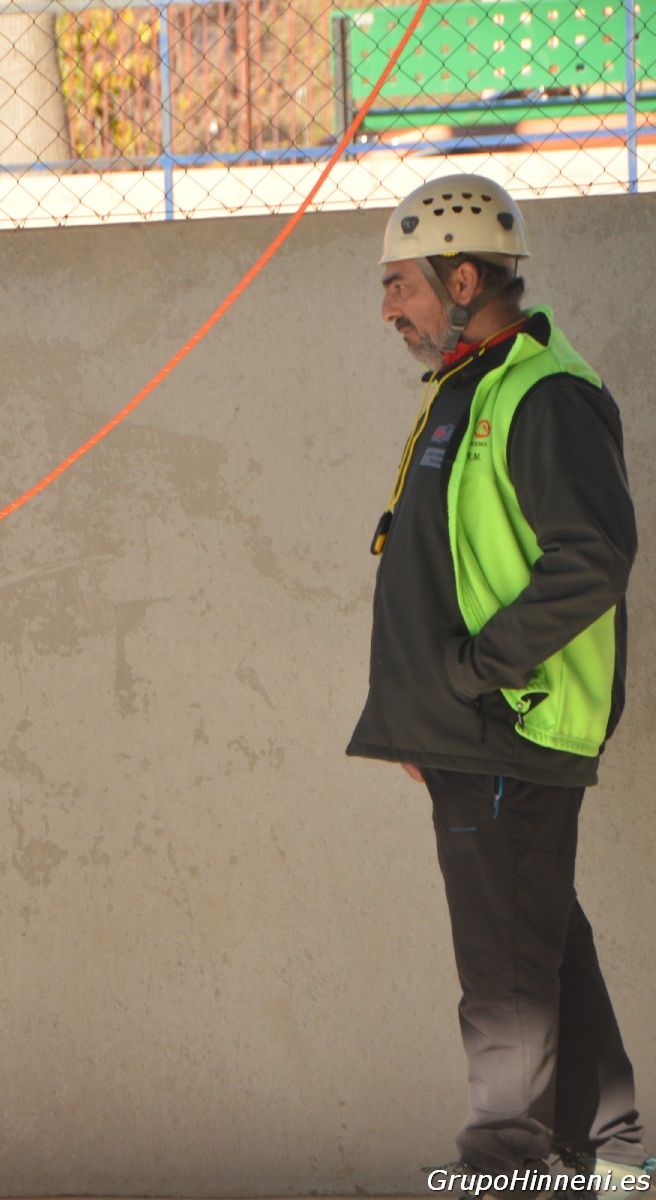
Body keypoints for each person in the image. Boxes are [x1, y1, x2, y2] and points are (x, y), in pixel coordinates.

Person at [348, 174, 647, 1189]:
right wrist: (424, 714)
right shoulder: (468, 386)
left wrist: (470, 680)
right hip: (470, 729)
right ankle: (610, 1157)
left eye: (399, 284)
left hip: (509, 724)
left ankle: (505, 1164)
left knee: (502, 980)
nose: (387, 308)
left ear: (462, 278)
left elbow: (590, 557)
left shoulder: (541, 394)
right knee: (539, 944)